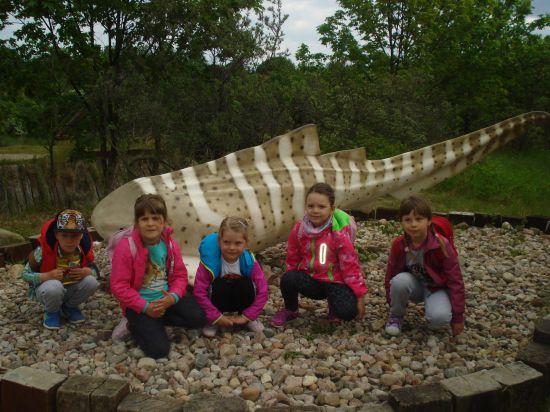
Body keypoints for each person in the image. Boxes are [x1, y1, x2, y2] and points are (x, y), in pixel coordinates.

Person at [110, 194, 206, 358]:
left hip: (165, 301)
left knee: (200, 317)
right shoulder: (126, 247)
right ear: (137, 223)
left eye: (155, 218)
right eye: (144, 219)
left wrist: (173, 297)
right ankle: (133, 323)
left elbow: (180, 275)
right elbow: (119, 286)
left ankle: (155, 322)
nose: (150, 223)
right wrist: (146, 308)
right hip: (139, 305)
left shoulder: (170, 244)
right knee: (159, 350)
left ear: (164, 221)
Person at [270, 183, 367, 327]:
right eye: (311, 206)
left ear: (331, 209)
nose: (315, 210)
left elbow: (350, 265)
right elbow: (293, 257)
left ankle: (334, 307)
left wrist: (359, 295)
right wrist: (291, 280)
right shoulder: (299, 229)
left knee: (348, 312)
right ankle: (291, 309)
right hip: (312, 280)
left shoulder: (338, 233)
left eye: (321, 207)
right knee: (288, 278)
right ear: (305, 207)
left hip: (334, 281)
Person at [384, 195, 465, 336]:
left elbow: (455, 280)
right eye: (407, 220)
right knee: (398, 281)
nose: (413, 224)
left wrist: (458, 316)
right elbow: (390, 275)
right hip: (414, 285)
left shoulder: (441, 245)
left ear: (428, 221)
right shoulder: (399, 244)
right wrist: (392, 301)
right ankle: (396, 316)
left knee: (439, 319)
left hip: (436, 288)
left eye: (419, 219)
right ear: (401, 221)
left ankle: (435, 307)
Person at [21, 209, 100, 330]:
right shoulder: (42, 251)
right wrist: (47, 276)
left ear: (82, 235)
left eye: (75, 236)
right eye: (64, 235)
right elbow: (24, 274)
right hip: (47, 290)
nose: (69, 240)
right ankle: (52, 312)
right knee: (54, 286)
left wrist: (87, 272)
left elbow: (96, 273)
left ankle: (69, 307)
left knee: (92, 282)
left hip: (70, 288)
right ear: (56, 234)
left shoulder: (83, 249)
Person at [193, 216, 268, 337]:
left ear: (246, 243)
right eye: (226, 242)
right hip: (218, 300)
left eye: (238, 243)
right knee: (220, 285)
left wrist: (247, 316)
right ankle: (213, 321)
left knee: (246, 284)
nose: (232, 248)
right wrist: (215, 316)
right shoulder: (209, 263)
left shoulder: (249, 262)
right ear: (219, 241)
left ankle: (249, 319)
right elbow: (199, 291)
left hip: (241, 299)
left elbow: (263, 290)